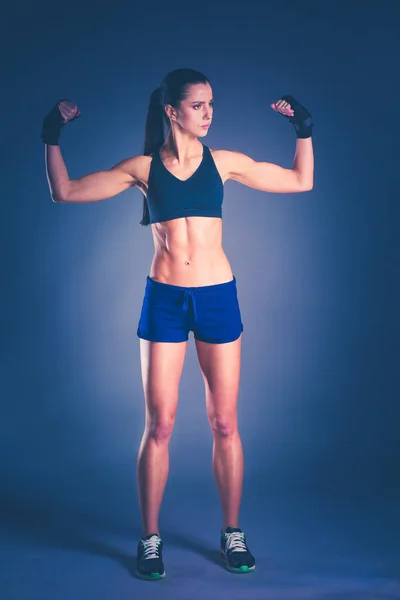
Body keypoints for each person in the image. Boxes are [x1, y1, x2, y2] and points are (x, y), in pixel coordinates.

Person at [41, 68, 314, 580]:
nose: (209, 113)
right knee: (160, 425)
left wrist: (303, 129)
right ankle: (150, 538)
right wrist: (51, 136)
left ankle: (232, 533)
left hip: (217, 298)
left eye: (212, 104)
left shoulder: (225, 162)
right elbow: (65, 192)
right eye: (198, 105)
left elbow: (302, 181)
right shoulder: (143, 168)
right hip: (164, 300)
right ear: (172, 111)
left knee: (225, 423)